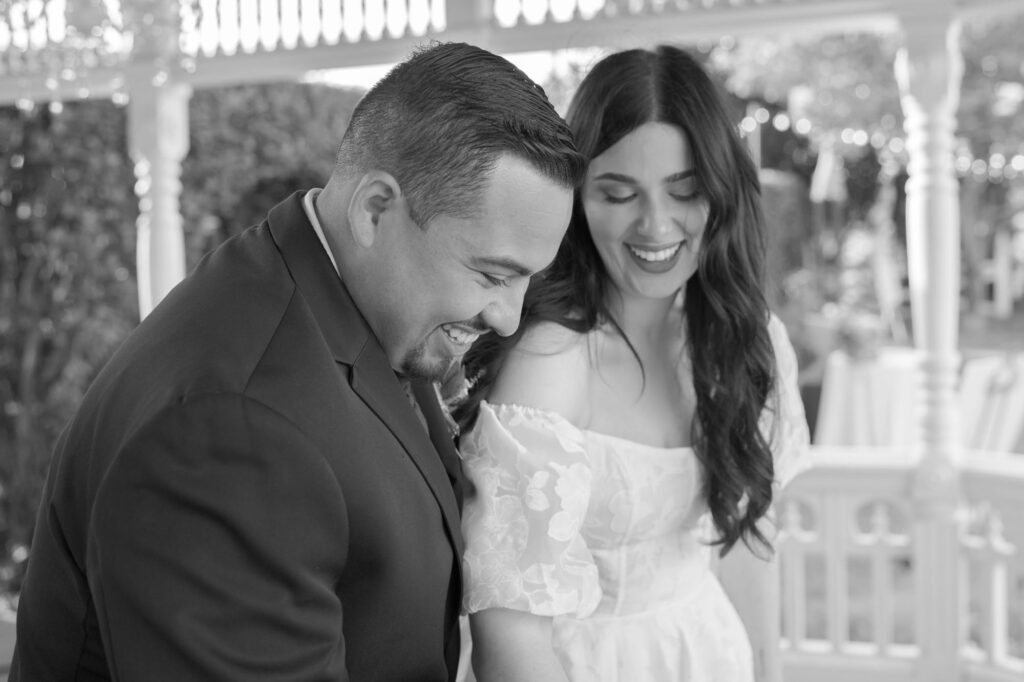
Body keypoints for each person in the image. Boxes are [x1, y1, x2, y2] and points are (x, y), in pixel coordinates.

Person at [11, 41, 583, 681]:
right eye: (491, 274)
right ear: (375, 210)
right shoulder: (231, 428)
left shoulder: (344, 301)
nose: (508, 315)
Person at [452, 45, 811, 681]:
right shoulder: (551, 359)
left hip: (707, 653)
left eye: (685, 191)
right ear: (576, 200)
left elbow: (751, 548)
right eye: (618, 193)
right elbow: (509, 630)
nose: (654, 225)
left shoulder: (748, 342)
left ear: (723, 195)